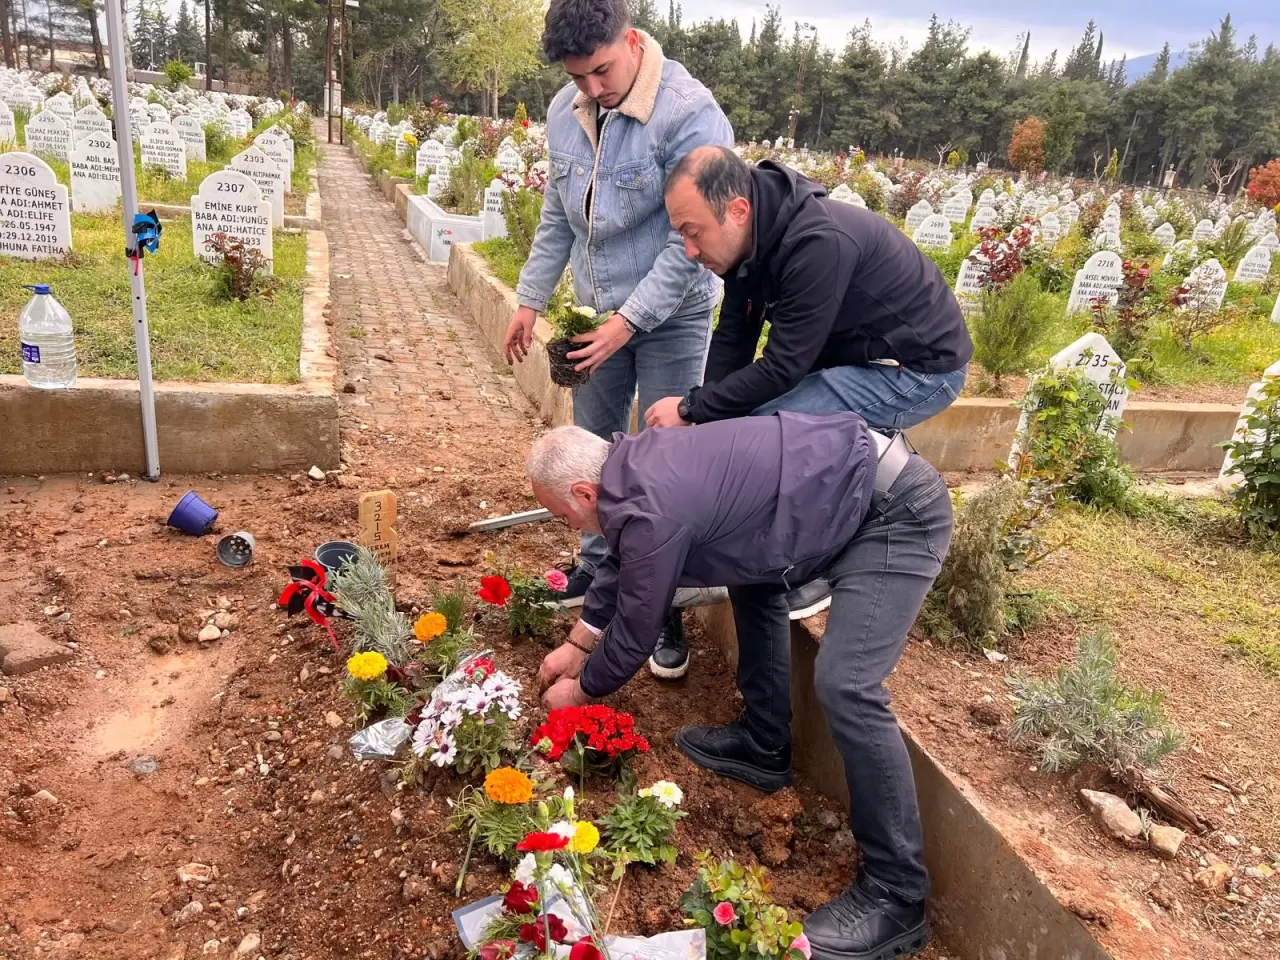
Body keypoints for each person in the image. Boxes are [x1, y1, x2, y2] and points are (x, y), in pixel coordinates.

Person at [528, 415, 950, 960]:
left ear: (586, 491)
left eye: (565, 516)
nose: (571, 529)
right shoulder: (632, 470)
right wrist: (579, 641)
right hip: (832, 494)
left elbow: (636, 630)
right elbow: (624, 558)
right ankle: (764, 744)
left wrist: (579, 691)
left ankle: (897, 895)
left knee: (848, 684)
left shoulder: (653, 506)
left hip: (893, 513)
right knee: (752, 576)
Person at [503, 0, 734, 678]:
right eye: (578, 79)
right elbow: (557, 214)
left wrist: (626, 324)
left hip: (672, 313)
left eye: (602, 71)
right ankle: (597, 574)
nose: (593, 90)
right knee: (591, 459)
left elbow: (687, 243)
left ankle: (659, 604)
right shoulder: (565, 111)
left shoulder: (690, 115)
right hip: (596, 307)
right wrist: (529, 297)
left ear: (631, 41)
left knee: (660, 469)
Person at [646, 145, 972, 621]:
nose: (691, 252)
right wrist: (708, 422)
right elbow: (735, 335)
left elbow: (783, 368)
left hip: (917, 369)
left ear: (737, 210)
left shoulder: (818, 241)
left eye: (694, 233)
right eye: (682, 236)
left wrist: (692, 409)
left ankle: (822, 566)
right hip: (856, 357)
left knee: (783, 434)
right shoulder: (751, 241)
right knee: (750, 429)